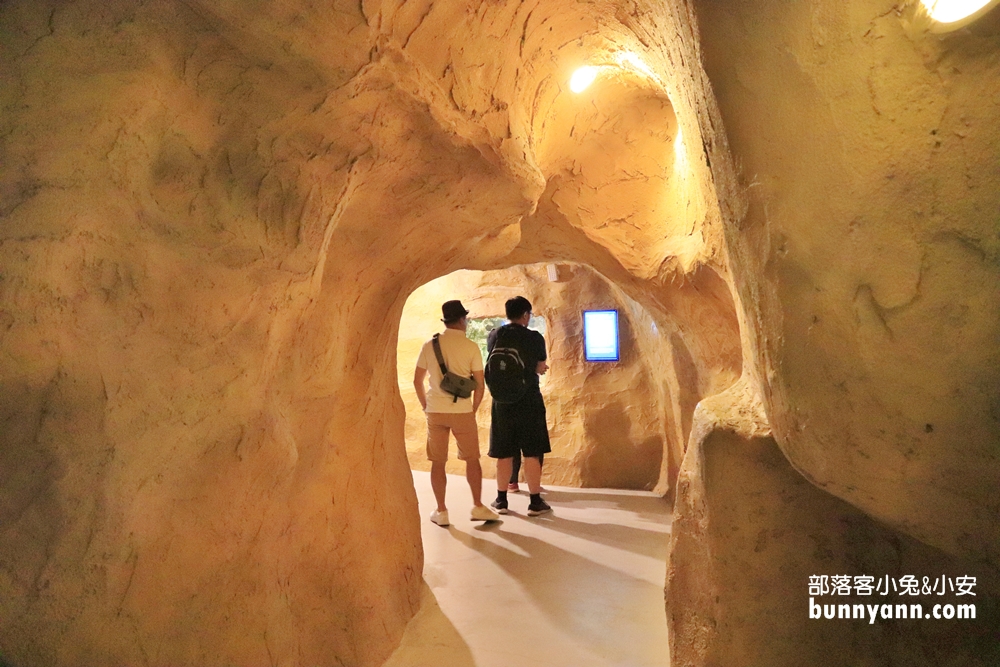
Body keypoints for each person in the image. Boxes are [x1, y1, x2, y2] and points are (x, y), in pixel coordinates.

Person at [414, 300, 500, 526]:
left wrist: (425, 405)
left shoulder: (429, 345)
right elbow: (480, 385)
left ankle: (441, 511)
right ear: (462, 320)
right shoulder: (471, 347)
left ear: (446, 320)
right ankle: (478, 506)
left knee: (437, 462)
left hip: (435, 412)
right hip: (462, 411)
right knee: (472, 459)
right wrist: (472, 408)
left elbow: (417, 381)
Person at [487, 296, 552, 516]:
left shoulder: (495, 334)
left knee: (504, 452)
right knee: (532, 452)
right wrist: (538, 369)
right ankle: (535, 502)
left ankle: (501, 500)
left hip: (502, 402)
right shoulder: (534, 337)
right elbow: (540, 365)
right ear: (525, 314)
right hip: (529, 400)